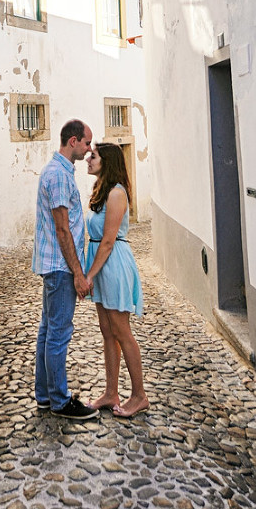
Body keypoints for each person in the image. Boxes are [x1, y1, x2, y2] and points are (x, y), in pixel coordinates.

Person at [33, 119, 99, 421]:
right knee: (58, 334)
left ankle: (45, 396)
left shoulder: (55, 171)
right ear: (73, 141)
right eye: (86, 143)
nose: (89, 150)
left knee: (48, 331)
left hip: (54, 266)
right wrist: (78, 273)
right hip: (61, 268)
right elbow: (63, 230)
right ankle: (60, 401)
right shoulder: (59, 176)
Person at [83, 142, 149, 418]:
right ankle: (111, 392)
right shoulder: (103, 191)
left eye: (93, 155)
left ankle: (139, 395)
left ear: (106, 161)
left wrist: (88, 275)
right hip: (101, 263)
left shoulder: (117, 194)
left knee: (122, 330)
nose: (88, 158)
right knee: (106, 330)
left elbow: (108, 241)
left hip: (112, 264)